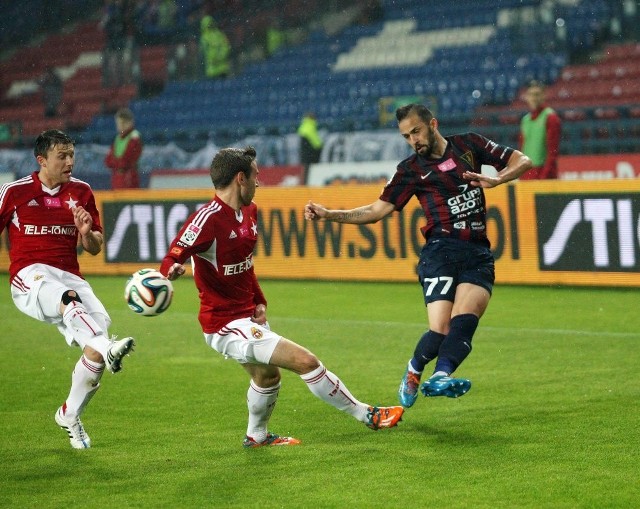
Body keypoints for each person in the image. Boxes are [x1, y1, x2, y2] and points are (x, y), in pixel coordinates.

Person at [159, 146, 404, 447]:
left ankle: (256, 437)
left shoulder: (250, 211)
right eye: (256, 176)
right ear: (240, 179)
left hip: (246, 314)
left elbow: (246, 264)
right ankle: (368, 415)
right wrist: (170, 271)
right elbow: (173, 255)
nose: (259, 182)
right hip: (223, 324)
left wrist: (258, 300)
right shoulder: (207, 219)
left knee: (268, 378)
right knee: (306, 361)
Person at [305, 103, 532, 408]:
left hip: (477, 253)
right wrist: (330, 215)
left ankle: (440, 377)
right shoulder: (410, 170)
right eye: (406, 136)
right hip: (440, 253)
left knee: (464, 323)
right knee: (439, 332)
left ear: (433, 124)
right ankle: (414, 370)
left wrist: (499, 178)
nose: (413, 140)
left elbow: (523, 160)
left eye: (416, 131)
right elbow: (376, 211)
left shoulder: (469, 144)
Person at [0, 130, 135, 449]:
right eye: (62, 155)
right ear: (42, 159)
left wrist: (86, 232)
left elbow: (95, 247)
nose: (70, 161)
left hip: (69, 275)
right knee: (71, 304)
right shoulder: (15, 192)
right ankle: (107, 346)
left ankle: (69, 413)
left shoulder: (82, 192)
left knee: (96, 339)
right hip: (29, 276)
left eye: (72, 155)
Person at [518, 80, 562, 180]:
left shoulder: (550, 117)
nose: (534, 98)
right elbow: (522, 149)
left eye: (537, 94)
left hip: (543, 174)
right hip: (527, 175)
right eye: (531, 95)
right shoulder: (525, 120)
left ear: (543, 96)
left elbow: (552, 152)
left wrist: (544, 177)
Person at [104, 108, 143, 189]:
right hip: (117, 178)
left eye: (123, 123)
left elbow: (127, 160)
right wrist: (118, 163)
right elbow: (107, 160)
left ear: (130, 123)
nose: (120, 126)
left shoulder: (134, 137)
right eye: (118, 123)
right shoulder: (118, 138)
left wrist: (115, 163)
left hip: (129, 178)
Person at [297, 112, 323, 182]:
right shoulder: (310, 126)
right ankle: (305, 187)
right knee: (309, 174)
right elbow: (316, 143)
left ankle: (303, 185)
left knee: (304, 171)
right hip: (310, 156)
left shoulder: (303, 126)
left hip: (304, 155)